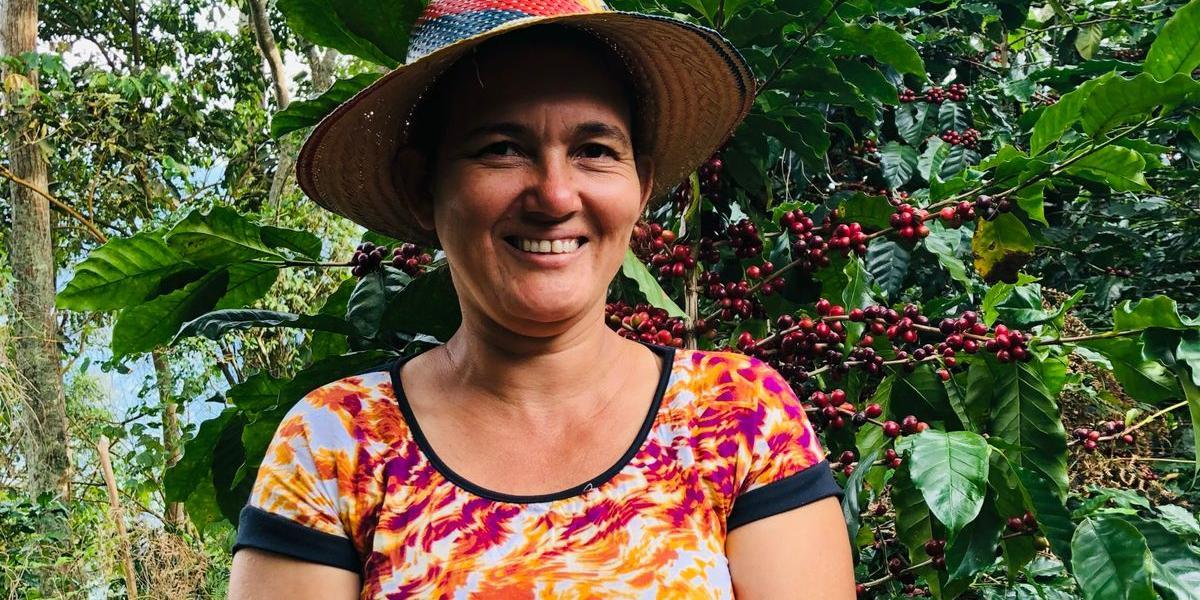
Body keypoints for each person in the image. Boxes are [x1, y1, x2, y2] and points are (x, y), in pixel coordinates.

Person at [227, 0, 854, 597]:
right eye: (502, 149)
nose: (555, 196)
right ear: (424, 186)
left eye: (595, 151)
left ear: (642, 186)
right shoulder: (338, 442)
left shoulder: (738, 418)